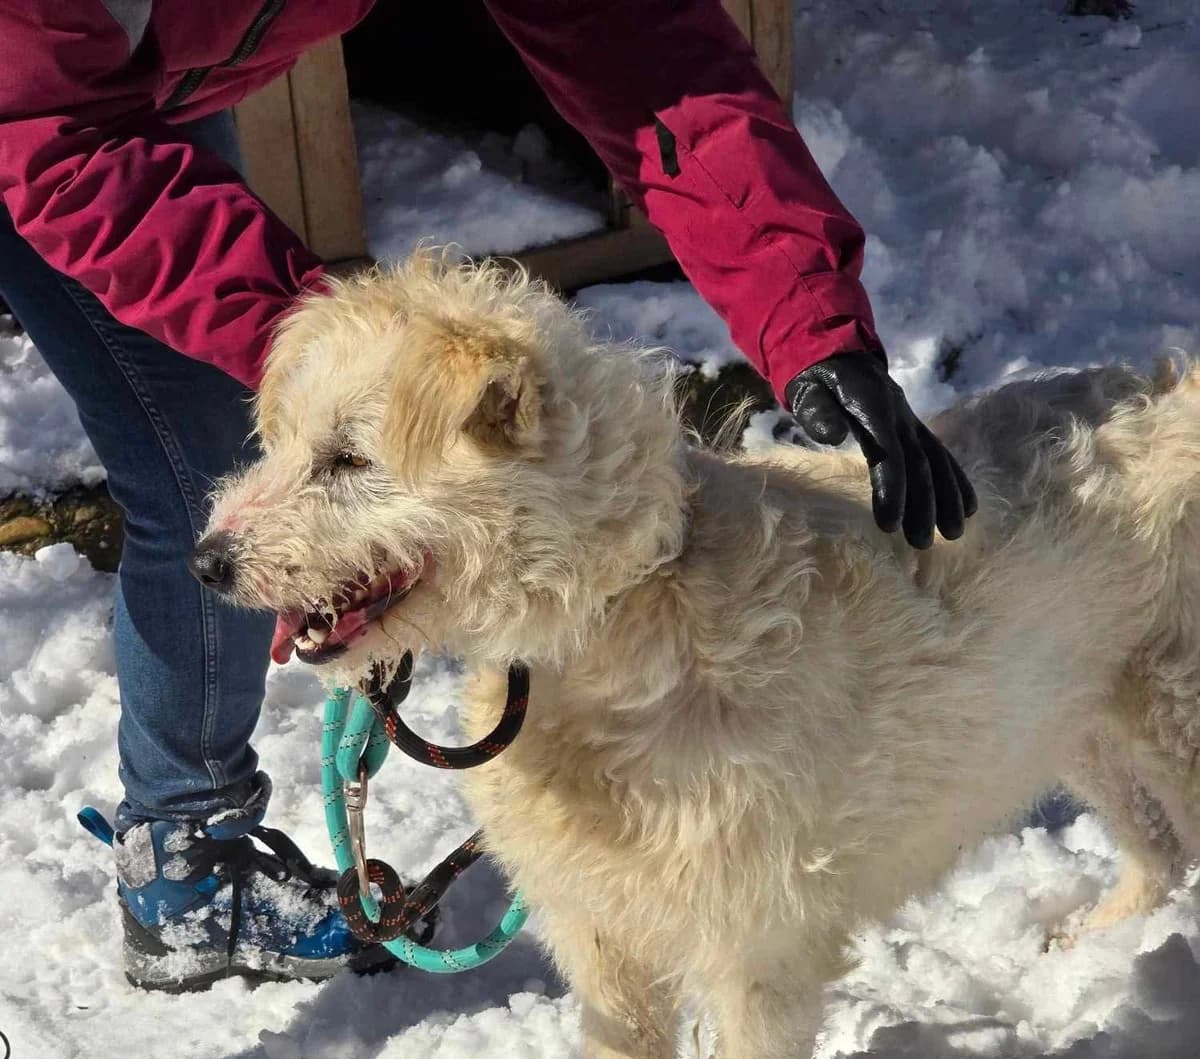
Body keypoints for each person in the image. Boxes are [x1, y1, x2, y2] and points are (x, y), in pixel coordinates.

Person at [0, 0, 977, 1000]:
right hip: (49, 103)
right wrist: (346, 357)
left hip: (118, 86)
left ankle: (183, 854)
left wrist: (809, 311)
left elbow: (639, 44)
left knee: (209, 438)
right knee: (221, 442)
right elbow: (52, 134)